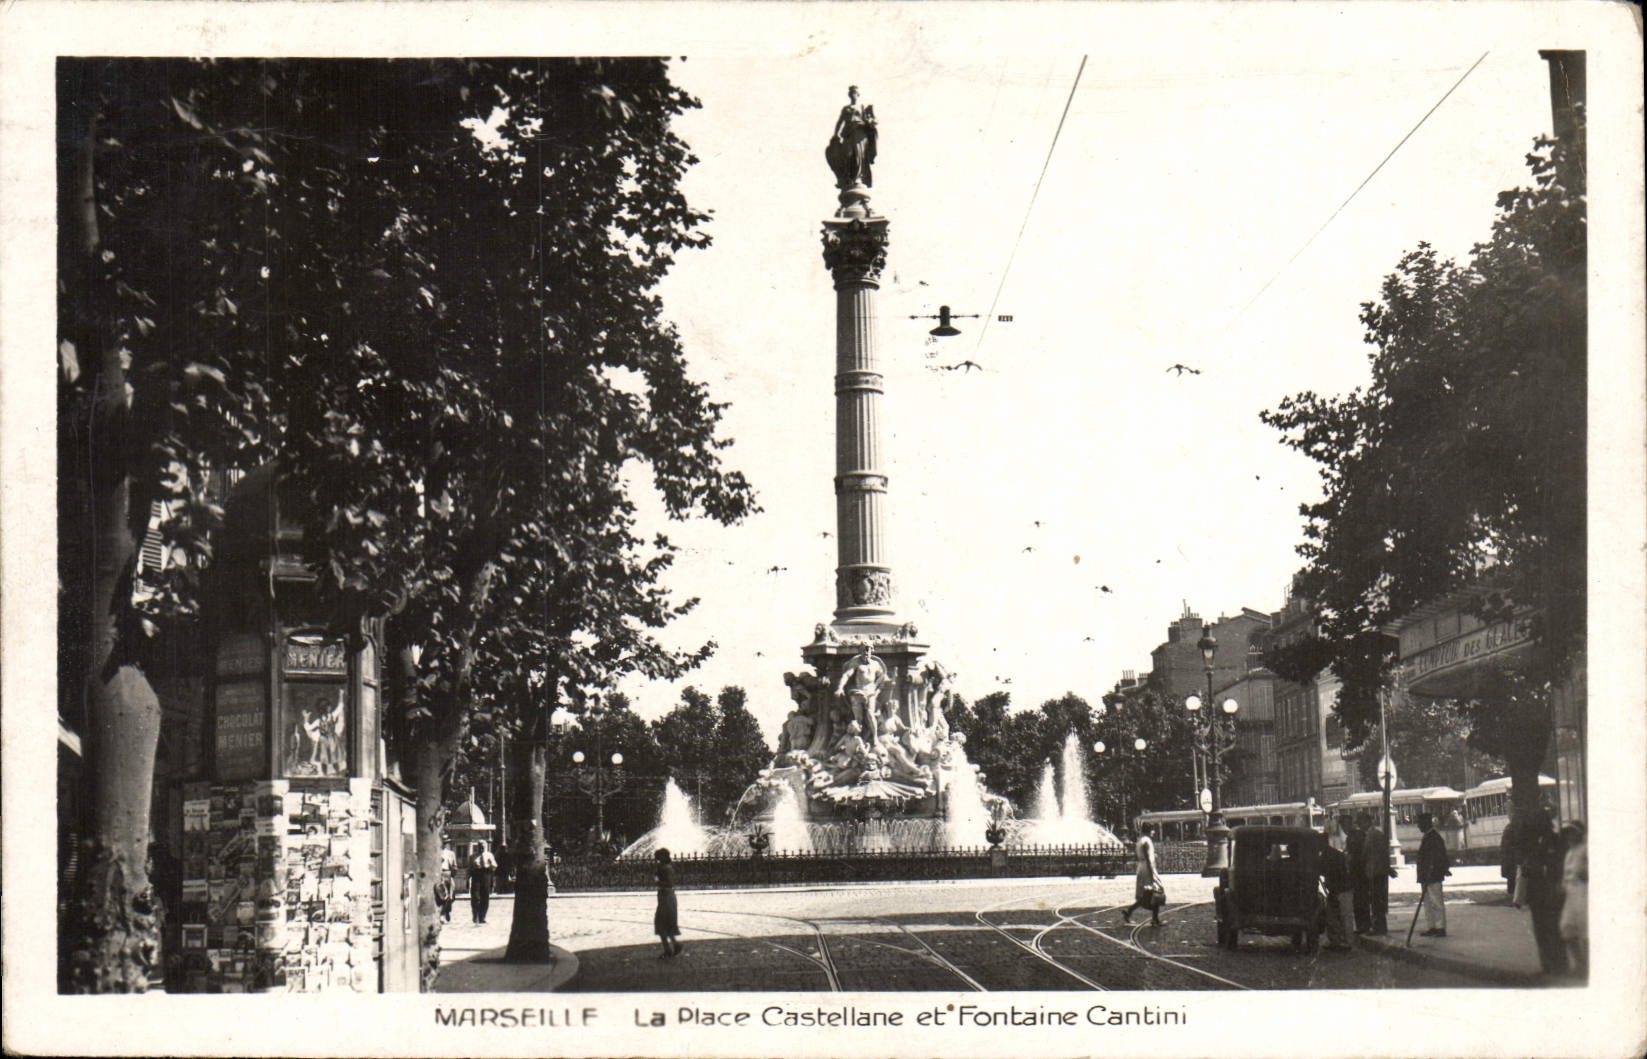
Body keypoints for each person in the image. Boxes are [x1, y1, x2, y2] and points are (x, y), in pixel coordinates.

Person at [825, 85, 878, 189]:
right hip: (848, 134)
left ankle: (858, 178)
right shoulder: (846, 108)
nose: (853, 95)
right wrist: (836, 134)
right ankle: (848, 178)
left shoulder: (862, 107)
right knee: (847, 155)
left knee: (859, 156)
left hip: (860, 134)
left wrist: (871, 122)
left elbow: (873, 120)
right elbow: (840, 122)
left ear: (858, 95)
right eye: (851, 93)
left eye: (855, 93)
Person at [1319, 818, 1354, 951]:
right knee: (1334, 916)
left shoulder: (1329, 856)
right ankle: (1338, 941)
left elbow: (1326, 871)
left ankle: (1346, 942)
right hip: (1336, 889)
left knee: (1344, 916)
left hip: (1341, 889)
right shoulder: (1330, 854)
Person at [1415, 812, 1451, 937]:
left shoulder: (1434, 838)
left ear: (1426, 823)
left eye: (1420, 823)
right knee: (1428, 902)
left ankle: (1440, 927)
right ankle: (1432, 926)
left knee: (1436, 901)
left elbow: (1439, 857)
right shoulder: (1428, 837)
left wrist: (1435, 870)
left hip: (1432, 875)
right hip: (1426, 876)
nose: (1418, 826)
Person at [1559, 822, 1588, 978]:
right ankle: (1580, 964)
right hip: (1571, 894)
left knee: (1585, 931)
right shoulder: (1570, 852)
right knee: (1567, 928)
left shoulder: (1586, 850)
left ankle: (1588, 967)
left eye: (1573, 832)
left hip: (1584, 892)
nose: (1570, 836)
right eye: (1568, 833)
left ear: (1579, 834)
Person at [1120, 822, 1163, 926]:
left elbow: (1139, 855)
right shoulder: (1147, 841)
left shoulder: (1140, 840)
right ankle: (1155, 919)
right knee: (1156, 891)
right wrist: (1152, 872)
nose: (1154, 832)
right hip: (1148, 868)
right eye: (1152, 829)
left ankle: (1129, 912)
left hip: (1141, 867)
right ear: (1149, 830)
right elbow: (1148, 857)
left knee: (1147, 893)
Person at [1361, 812, 1396, 935]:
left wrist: (1386, 868)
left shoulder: (1374, 835)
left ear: (1367, 822)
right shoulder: (1372, 834)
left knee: (1377, 901)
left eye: (1361, 822)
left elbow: (1379, 854)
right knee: (1375, 900)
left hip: (1376, 872)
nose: (1360, 825)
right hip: (1375, 871)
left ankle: (1379, 927)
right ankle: (1378, 926)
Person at [654, 848, 683, 958]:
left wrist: (658, 881)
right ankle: (674, 945)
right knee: (665, 924)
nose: (657, 860)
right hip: (665, 897)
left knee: (661, 923)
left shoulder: (666, 868)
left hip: (667, 898)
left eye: (659, 858)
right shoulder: (665, 867)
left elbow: (669, 883)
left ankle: (669, 949)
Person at [1345, 812, 1371, 933]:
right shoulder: (1352, 836)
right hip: (1356, 872)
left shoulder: (1357, 836)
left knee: (1361, 900)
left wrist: (1350, 858)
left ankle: (1364, 925)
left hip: (1360, 872)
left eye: (1346, 825)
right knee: (1358, 900)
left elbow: (1361, 854)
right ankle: (1362, 925)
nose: (1344, 828)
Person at [468, 840, 497, 925]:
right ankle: (475, 916)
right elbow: (469, 868)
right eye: (480, 846)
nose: (481, 848)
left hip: (486, 875)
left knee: (485, 897)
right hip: (476, 876)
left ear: (485, 847)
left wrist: (490, 865)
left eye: (483, 846)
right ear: (477, 847)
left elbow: (495, 866)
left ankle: (482, 917)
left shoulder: (489, 855)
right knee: (475, 897)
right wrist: (467, 879)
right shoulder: (473, 856)